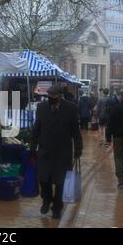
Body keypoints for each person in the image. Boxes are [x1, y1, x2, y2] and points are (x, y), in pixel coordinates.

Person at [30, 85, 83, 219]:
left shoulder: (71, 108)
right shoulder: (41, 107)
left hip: (62, 152)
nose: (50, 97)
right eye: (49, 95)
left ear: (60, 96)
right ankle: (46, 200)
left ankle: (57, 207)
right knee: (44, 180)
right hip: (44, 150)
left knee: (60, 182)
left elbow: (75, 131)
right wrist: (32, 146)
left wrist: (78, 148)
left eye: (53, 95)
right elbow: (36, 128)